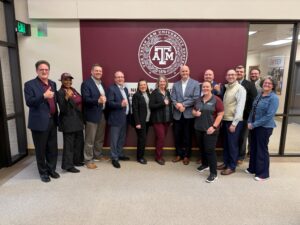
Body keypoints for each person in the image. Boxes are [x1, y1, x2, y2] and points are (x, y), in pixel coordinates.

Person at [24, 60, 60, 182]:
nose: (44, 71)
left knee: (52, 148)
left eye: (46, 69)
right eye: (41, 69)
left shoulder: (53, 83)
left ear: (49, 71)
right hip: (39, 123)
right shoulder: (29, 84)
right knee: (41, 149)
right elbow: (29, 102)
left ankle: (51, 169)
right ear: (37, 71)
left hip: (52, 120)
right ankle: (43, 173)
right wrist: (44, 96)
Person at [246, 77, 279, 181]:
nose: (267, 84)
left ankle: (263, 174)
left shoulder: (273, 98)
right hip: (254, 125)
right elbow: (253, 110)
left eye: (269, 83)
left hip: (264, 127)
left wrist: (254, 124)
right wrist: (249, 121)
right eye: (265, 83)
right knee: (253, 148)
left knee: (261, 150)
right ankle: (253, 168)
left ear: (273, 86)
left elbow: (269, 115)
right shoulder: (260, 94)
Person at [193, 81, 224, 183]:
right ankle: (205, 164)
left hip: (210, 130)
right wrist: (195, 113)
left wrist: (214, 127)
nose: (205, 88)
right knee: (202, 148)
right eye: (203, 87)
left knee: (210, 150)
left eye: (207, 87)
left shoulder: (217, 100)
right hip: (199, 128)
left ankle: (213, 173)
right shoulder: (198, 99)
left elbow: (220, 114)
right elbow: (194, 110)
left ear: (211, 88)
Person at [218, 69, 246, 175]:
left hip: (233, 122)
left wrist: (234, 123)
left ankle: (232, 166)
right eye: (229, 75)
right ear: (226, 77)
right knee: (226, 144)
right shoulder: (228, 88)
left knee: (232, 145)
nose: (231, 76)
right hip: (225, 120)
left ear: (236, 76)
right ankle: (226, 163)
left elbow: (240, 107)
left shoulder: (240, 89)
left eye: (233, 75)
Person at [171, 65, 200, 165]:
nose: (184, 73)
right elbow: (173, 98)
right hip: (177, 115)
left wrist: (183, 104)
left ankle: (186, 156)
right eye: (182, 71)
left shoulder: (195, 83)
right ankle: (179, 154)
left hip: (189, 115)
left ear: (189, 71)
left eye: (186, 71)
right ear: (180, 73)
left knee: (187, 136)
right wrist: (178, 106)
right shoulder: (175, 84)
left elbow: (196, 98)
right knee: (177, 136)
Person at [81, 64, 108, 169]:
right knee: (90, 139)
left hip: (101, 113)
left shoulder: (101, 84)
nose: (98, 72)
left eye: (100, 71)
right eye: (96, 71)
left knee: (99, 138)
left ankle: (97, 155)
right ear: (91, 72)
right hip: (91, 115)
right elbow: (86, 100)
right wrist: (97, 101)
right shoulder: (86, 84)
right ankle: (88, 159)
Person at [57, 73, 84, 173]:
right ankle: (68, 165)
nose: (68, 82)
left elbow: (79, 101)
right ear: (61, 81)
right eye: (65, 80)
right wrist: (66, 98)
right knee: (69, 145)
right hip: (68, 123)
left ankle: (76, 161)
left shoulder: (73, 89)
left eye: (70, 80)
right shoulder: (60, 92)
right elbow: (63, 109)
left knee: (78, 142)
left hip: (77, 120)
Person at [107, 71, 130, 168]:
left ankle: (119, 154)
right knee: (114, 140)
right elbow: (109, 103)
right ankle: (114, 158)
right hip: (115, 118)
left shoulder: (125, 89)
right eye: (118, 77)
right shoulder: (111, 89)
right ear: (115, 79)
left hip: (124, 117)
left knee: (121, 138)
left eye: (122, 77)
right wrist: (120, 104)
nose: (120, 79)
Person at [236, 65, 257, 164]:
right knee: (234, 137)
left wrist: (250, 117)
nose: (239, 73)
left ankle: (240, 156)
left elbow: (254, 101)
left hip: (245, 116)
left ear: (244, 73)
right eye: (237, 71)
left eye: (241, 72)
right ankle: (234, 154)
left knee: (242, 137)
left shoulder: (249, 85)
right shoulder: (231, 83)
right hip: (233, 116)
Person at [149, 75, 173, 165]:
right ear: (158, 83)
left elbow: (169, 106)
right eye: (161, 81)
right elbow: (151, 106)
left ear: (166, 83)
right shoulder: (154, 93)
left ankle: (158, 155)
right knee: (161, 138)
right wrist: (162, 103)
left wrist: (171, 119)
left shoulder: (167, 92)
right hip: (157, 120)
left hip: (166, 120)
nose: (162, 83)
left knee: (160, 139)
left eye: (164, 81)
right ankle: (158, 157)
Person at [132, 79, 151, 164]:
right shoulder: (136, 95)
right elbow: (135, 110)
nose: (143, 86)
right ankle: (140, 157)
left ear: (147, 86)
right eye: (141, 85)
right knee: (141, 139)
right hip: (140, 122)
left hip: (147, 121)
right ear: (138, 86)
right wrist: (137, 123)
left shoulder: (148, 94)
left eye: (144, 85)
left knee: (143, 139)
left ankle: (141, 155)